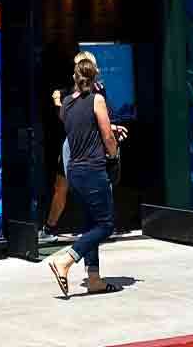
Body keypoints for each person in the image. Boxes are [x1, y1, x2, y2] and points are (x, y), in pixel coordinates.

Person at [47, 56, 119, 298]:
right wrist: (113, 154)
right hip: (93, 169)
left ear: (75, 78)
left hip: (75, 171)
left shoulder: (66, 104)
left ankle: (94, 278)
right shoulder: (96, 100)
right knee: (106, 225)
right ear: (94, 76)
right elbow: (107, 136)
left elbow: (77, 125)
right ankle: (66, 260)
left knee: (91, 223)